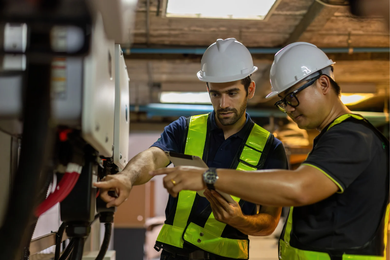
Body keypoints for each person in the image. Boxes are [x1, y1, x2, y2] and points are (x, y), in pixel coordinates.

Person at [151, 42, 390, 260]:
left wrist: (209, 176)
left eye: (292, 98)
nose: (288, 109)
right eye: (283, 102)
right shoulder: (334, 138)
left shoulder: (351, 136)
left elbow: (298, 188)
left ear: (323, 84)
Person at [94, 38, 288, 260]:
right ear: (207, 89)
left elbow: (269, 221)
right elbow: (153, 157)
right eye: (215, 94)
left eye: (232, 93)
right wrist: (127, 178)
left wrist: (239, 220)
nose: (223, 104)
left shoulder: (271, 148)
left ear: (250, 89)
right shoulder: (184, 129)